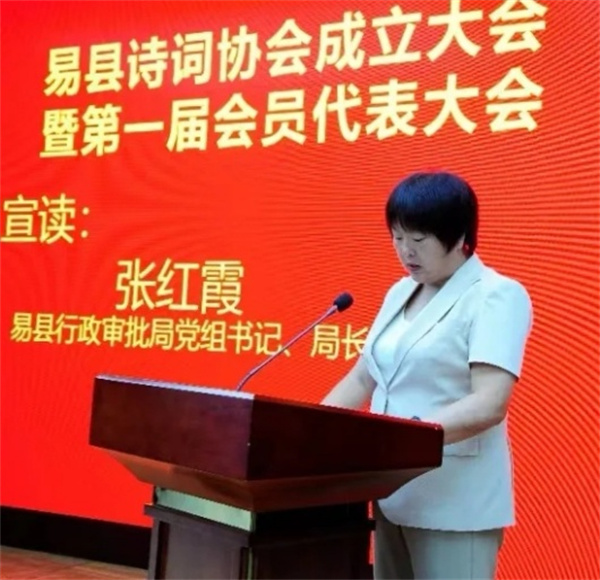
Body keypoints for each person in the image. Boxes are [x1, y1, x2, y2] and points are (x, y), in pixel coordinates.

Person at [321, 171, 533, 580]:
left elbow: (489, 402)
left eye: (418, 239)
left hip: (455, 501)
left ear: (458, 236)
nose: (406, 251)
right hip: (391, 493)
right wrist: (307, 434)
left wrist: (403, 442)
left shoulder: (496, 295)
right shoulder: (400, 291)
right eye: (398, 237)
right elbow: (363, 378)